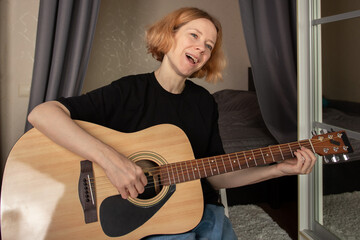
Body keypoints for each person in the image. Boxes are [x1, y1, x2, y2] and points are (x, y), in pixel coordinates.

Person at [28, 7, 316, 240]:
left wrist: (277, 169)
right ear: (169, 35)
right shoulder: (128, 91)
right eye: (193, 35)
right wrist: (112, 161)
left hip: (203, 211)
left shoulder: (205, 102)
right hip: (145, 217)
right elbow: (41, 114)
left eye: (208, 45)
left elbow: (215, 174)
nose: (201, 48)